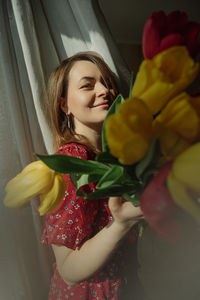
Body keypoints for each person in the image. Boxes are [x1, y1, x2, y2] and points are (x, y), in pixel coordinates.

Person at [41, 51, 144, 300]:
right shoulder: (73, 162)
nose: (104, 91)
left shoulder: (117, 158)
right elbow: (68, 269)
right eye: (88, 85)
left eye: (107, 83)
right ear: (64, 104)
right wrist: (122, 223)